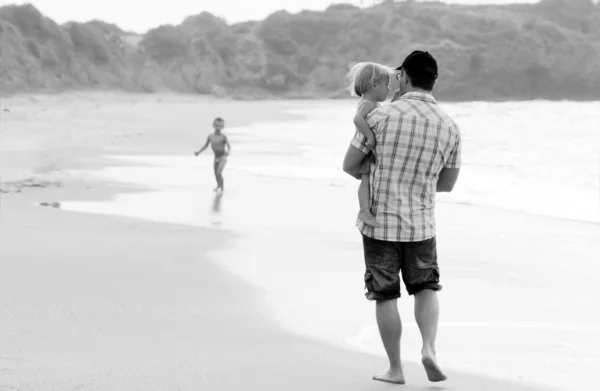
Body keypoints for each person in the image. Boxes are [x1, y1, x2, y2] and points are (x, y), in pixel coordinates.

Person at [342, 51, 462, 385]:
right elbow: (448, 184)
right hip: (421, 223)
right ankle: (428, 349)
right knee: (426, 287)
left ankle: (395, 369)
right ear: (434, 80)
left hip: (379, 222)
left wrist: (378, 173)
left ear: (404, 77)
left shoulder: (381, 116)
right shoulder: (449, 126)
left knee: (385, 295)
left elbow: (350, 165)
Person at [346, 62, 392, 227]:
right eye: (386, 85)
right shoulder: (367, 104)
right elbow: (357, 119)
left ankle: (365, 210)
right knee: (365, 181)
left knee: (366, 180)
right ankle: (364, 211)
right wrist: (370, 136)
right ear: (373, 85)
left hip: (366, 149)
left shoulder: (372, 104)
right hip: (365, 148)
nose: (388, 89)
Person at [194, 117, 231, 192]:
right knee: (215, 173)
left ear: (223, 127)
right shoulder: (210, 136)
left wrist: (228, 151)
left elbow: (229, 146)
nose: (218, 127)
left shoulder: (223, 137)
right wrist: (198, 152)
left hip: (223, 157)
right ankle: (218, 186)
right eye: (217, 125)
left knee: (219, 172)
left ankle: (222, 188)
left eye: (220, 126)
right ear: (213, 125)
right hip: (216, 158)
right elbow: (205, 146)